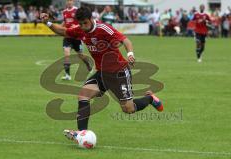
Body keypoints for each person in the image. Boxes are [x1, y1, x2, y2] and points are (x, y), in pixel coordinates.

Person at [40, 7, 164, 142]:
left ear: (91, 19)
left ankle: (150, 99)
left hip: (119, 72)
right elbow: (63, 31)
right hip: (102, 74)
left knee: (128, 109)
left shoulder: (104, 28)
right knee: (83, 95)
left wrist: (130, 54)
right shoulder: (80, 29)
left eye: (85, 23)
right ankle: (82, 134)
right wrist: (48, 23)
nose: (83, 26)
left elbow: (125, 40)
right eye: (80, 23)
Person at [61, 0, 91, 80]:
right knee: (66, 54)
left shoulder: (77, 10)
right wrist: (58, 28)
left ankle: (88, 64)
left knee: (81, 55)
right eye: (67, 1)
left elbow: (82, 22)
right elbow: (65, 22)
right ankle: (68, 75)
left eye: (70, 1)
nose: (69, 2)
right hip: (67, 36)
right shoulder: (64, 12)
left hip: (77, 37)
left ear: (73, 2)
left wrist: (76, 26)